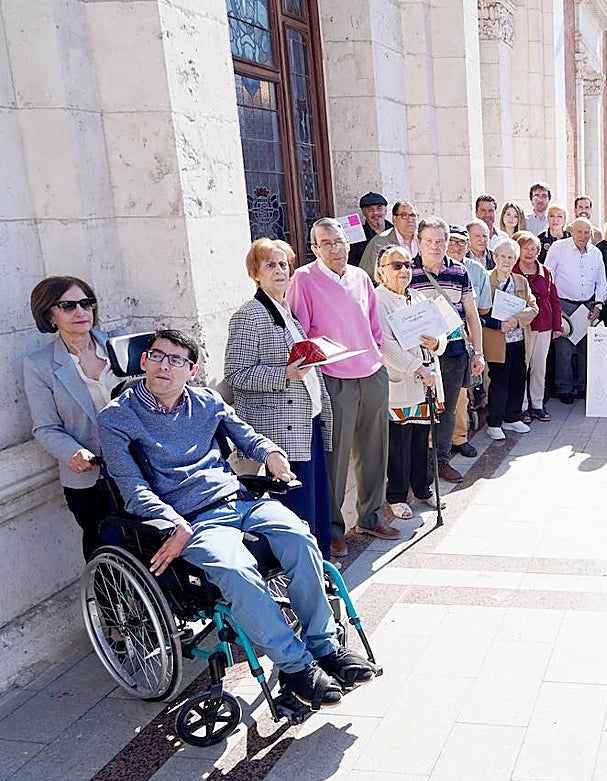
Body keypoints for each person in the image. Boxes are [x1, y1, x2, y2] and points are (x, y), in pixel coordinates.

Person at [98, 328, 375, 709]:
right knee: (237, 567)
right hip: (190, 518)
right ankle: (296, 669)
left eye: (177, 360)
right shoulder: (117, 417)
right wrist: (174, 523)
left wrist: (271, 454)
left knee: (300, 537)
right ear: (144, 361)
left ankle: (324, 646)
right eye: (158, 356)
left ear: (191, 370)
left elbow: (247, 436)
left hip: (239, 500)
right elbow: (131, 488)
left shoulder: (207, 401)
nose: (165, 366)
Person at [287, 219, 400, 557]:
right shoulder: (303, 280)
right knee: (334, 459)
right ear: (315, 248)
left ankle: (371, 516)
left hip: (371, 373)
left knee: (375, 450)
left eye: (339, 241)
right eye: (327, 243)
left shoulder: (361, 277)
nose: (335, 248)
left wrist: (376, 357)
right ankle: (333, 529)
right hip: (334, 379)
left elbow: (373, 326)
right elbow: (299, 333)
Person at [226, 238, 334, 560]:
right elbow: (236, 374)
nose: (279, 271)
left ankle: (321, 567)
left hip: (306, 420)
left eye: (283, 264)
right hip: (279, 431)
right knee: (295, 511)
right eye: (270, 265)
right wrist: (283, 375)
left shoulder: (288, 312)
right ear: (255, 273)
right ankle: (301, 574)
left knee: (314, 503)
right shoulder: (249, 315)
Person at [24, 276, 121, 557]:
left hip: (142, 464)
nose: (81, 312)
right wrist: (73, 452)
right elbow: (45, 427)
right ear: (49, 315)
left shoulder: (118, 343)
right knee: (104, 549)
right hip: (92, 478)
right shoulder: (39, 365)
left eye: (86, 303)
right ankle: (108, 602)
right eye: (68, 306)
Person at [409, 217, 487, 483]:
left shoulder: (460, 271)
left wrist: (478, 352)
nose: (435, 246)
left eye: (440, 241)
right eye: (429, 241)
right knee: (420, 410)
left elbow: (472, 316)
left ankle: (441, 460)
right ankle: (420, 467)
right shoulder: (407, 271)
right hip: (418, 355)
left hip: (453, 352)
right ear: (418, 243)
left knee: (448, 408)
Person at [373, 244, 446, 519]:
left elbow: (440, 337)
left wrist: (436, 343)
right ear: (381, 271)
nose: (404, 270)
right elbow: (384, 345)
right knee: (399, 442)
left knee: (421, 438)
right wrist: (417, 368)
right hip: (402, 381)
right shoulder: (378, 300)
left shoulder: (416, 297)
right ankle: (397, 495)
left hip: (427, 380)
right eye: (396, 265)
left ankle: (423, 487)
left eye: (407, 265)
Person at [481, 238, 539, 440]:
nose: (506, 260)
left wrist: (515, 319)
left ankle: (512, 418)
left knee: (517, 378)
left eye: (511, 257)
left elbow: (533, 307)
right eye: (503, 256)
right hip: (497, 339)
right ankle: (494, 422)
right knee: (499, 381)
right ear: (495, 257)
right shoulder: (485, 279)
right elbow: (479, 311)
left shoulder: (520, 281)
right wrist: (500, 325)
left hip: (518, 338)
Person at [544, 217, 606, 404]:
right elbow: (548, 276)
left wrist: (598, 305)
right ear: (571, 231)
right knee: (563, 350)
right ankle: (565, 388)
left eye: (587, 232)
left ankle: (582, 387)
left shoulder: (595, 253)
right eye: (579, 231)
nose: (583, 236)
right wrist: (554, 307)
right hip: (563, 305)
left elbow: (601, 283)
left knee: (586, 349)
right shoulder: (558, 248)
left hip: (587, 306)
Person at [446, 224, 493, 460]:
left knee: (462, 395)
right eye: (451, 241)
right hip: (435, 341)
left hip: (464, 338)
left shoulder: (476, 270)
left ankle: (459, 439)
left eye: (461, 243)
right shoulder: (431, 267)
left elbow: (482, 308)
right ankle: (436, 444)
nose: (456, 247)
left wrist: (478, 350)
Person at [513, 230, 560, 423]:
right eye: (526, 248)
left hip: (544, 325)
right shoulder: (513, 271)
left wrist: (557, 326)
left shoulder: (545, 272)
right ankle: (522, 406)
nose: (530, 253)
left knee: (539, 368)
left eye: (534, 249)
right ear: (519, 250)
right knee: (522, 367)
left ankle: (537, 404)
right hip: (522, 326)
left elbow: (554, 300)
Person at [358, 200, 419, 275]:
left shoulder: (424, 239)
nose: (410, 220)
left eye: (413, 215)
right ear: (394, 219)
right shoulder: (379, 242)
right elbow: (366, 276)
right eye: (404, 215)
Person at [348, 192, 391, 268]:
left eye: (379, 208)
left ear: (386, 210)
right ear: (363, 212)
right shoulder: (357, 236)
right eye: (370, 210)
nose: (375, 213)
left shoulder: (396, 231)